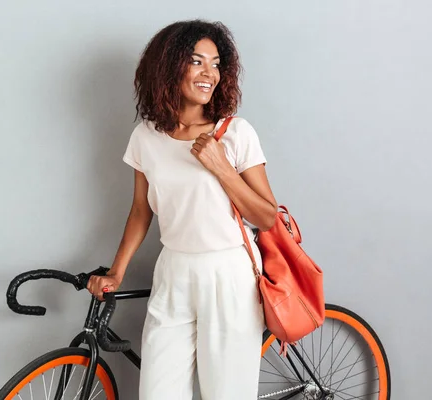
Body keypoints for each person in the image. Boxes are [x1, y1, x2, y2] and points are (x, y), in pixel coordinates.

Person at [87, 19, 277, 400]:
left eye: (216, 63)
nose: (210, 73)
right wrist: (116, 272)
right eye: (197, 61)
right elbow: (141, 211)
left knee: (226, 394)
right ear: (170, 67)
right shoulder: (146, 136)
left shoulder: (235, 133)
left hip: (228, 274)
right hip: (173, 271)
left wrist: (222, 167)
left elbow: (267, 216)